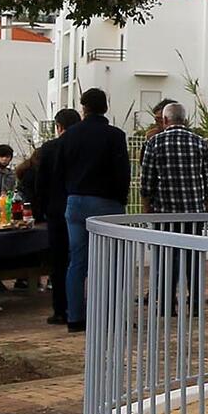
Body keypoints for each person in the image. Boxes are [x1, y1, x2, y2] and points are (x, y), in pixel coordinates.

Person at [58, 88, 130, 334]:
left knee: (77, 261)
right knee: (112, 263)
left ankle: (75, 318)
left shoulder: (70, 136)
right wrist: (121, 200)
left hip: (76, 201)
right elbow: (123, 172)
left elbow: (60, 171)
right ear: (105, 107)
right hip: (107, 202)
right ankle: (110, 316)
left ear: (83, 108)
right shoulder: (115, 136)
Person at [139, 99, 208, 314]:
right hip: (193, 213)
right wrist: (207, 209)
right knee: (193, 258)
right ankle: (196, 304)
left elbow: (147, 182)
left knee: (166, 259)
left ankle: (166, 304)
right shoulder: (200, 142)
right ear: (185, 119)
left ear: (165, 120)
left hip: (165, 213)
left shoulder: (155, 143)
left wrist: (147, 210)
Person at [31, 108, 79, 324]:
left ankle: (60, 309)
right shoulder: (82, 148)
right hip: (79, 210)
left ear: (58, 127)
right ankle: (80, 305)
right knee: (80, 260)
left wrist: (38, 212)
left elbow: (40, 184)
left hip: (56, 212)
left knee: (58, 263)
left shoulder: (49, 148)